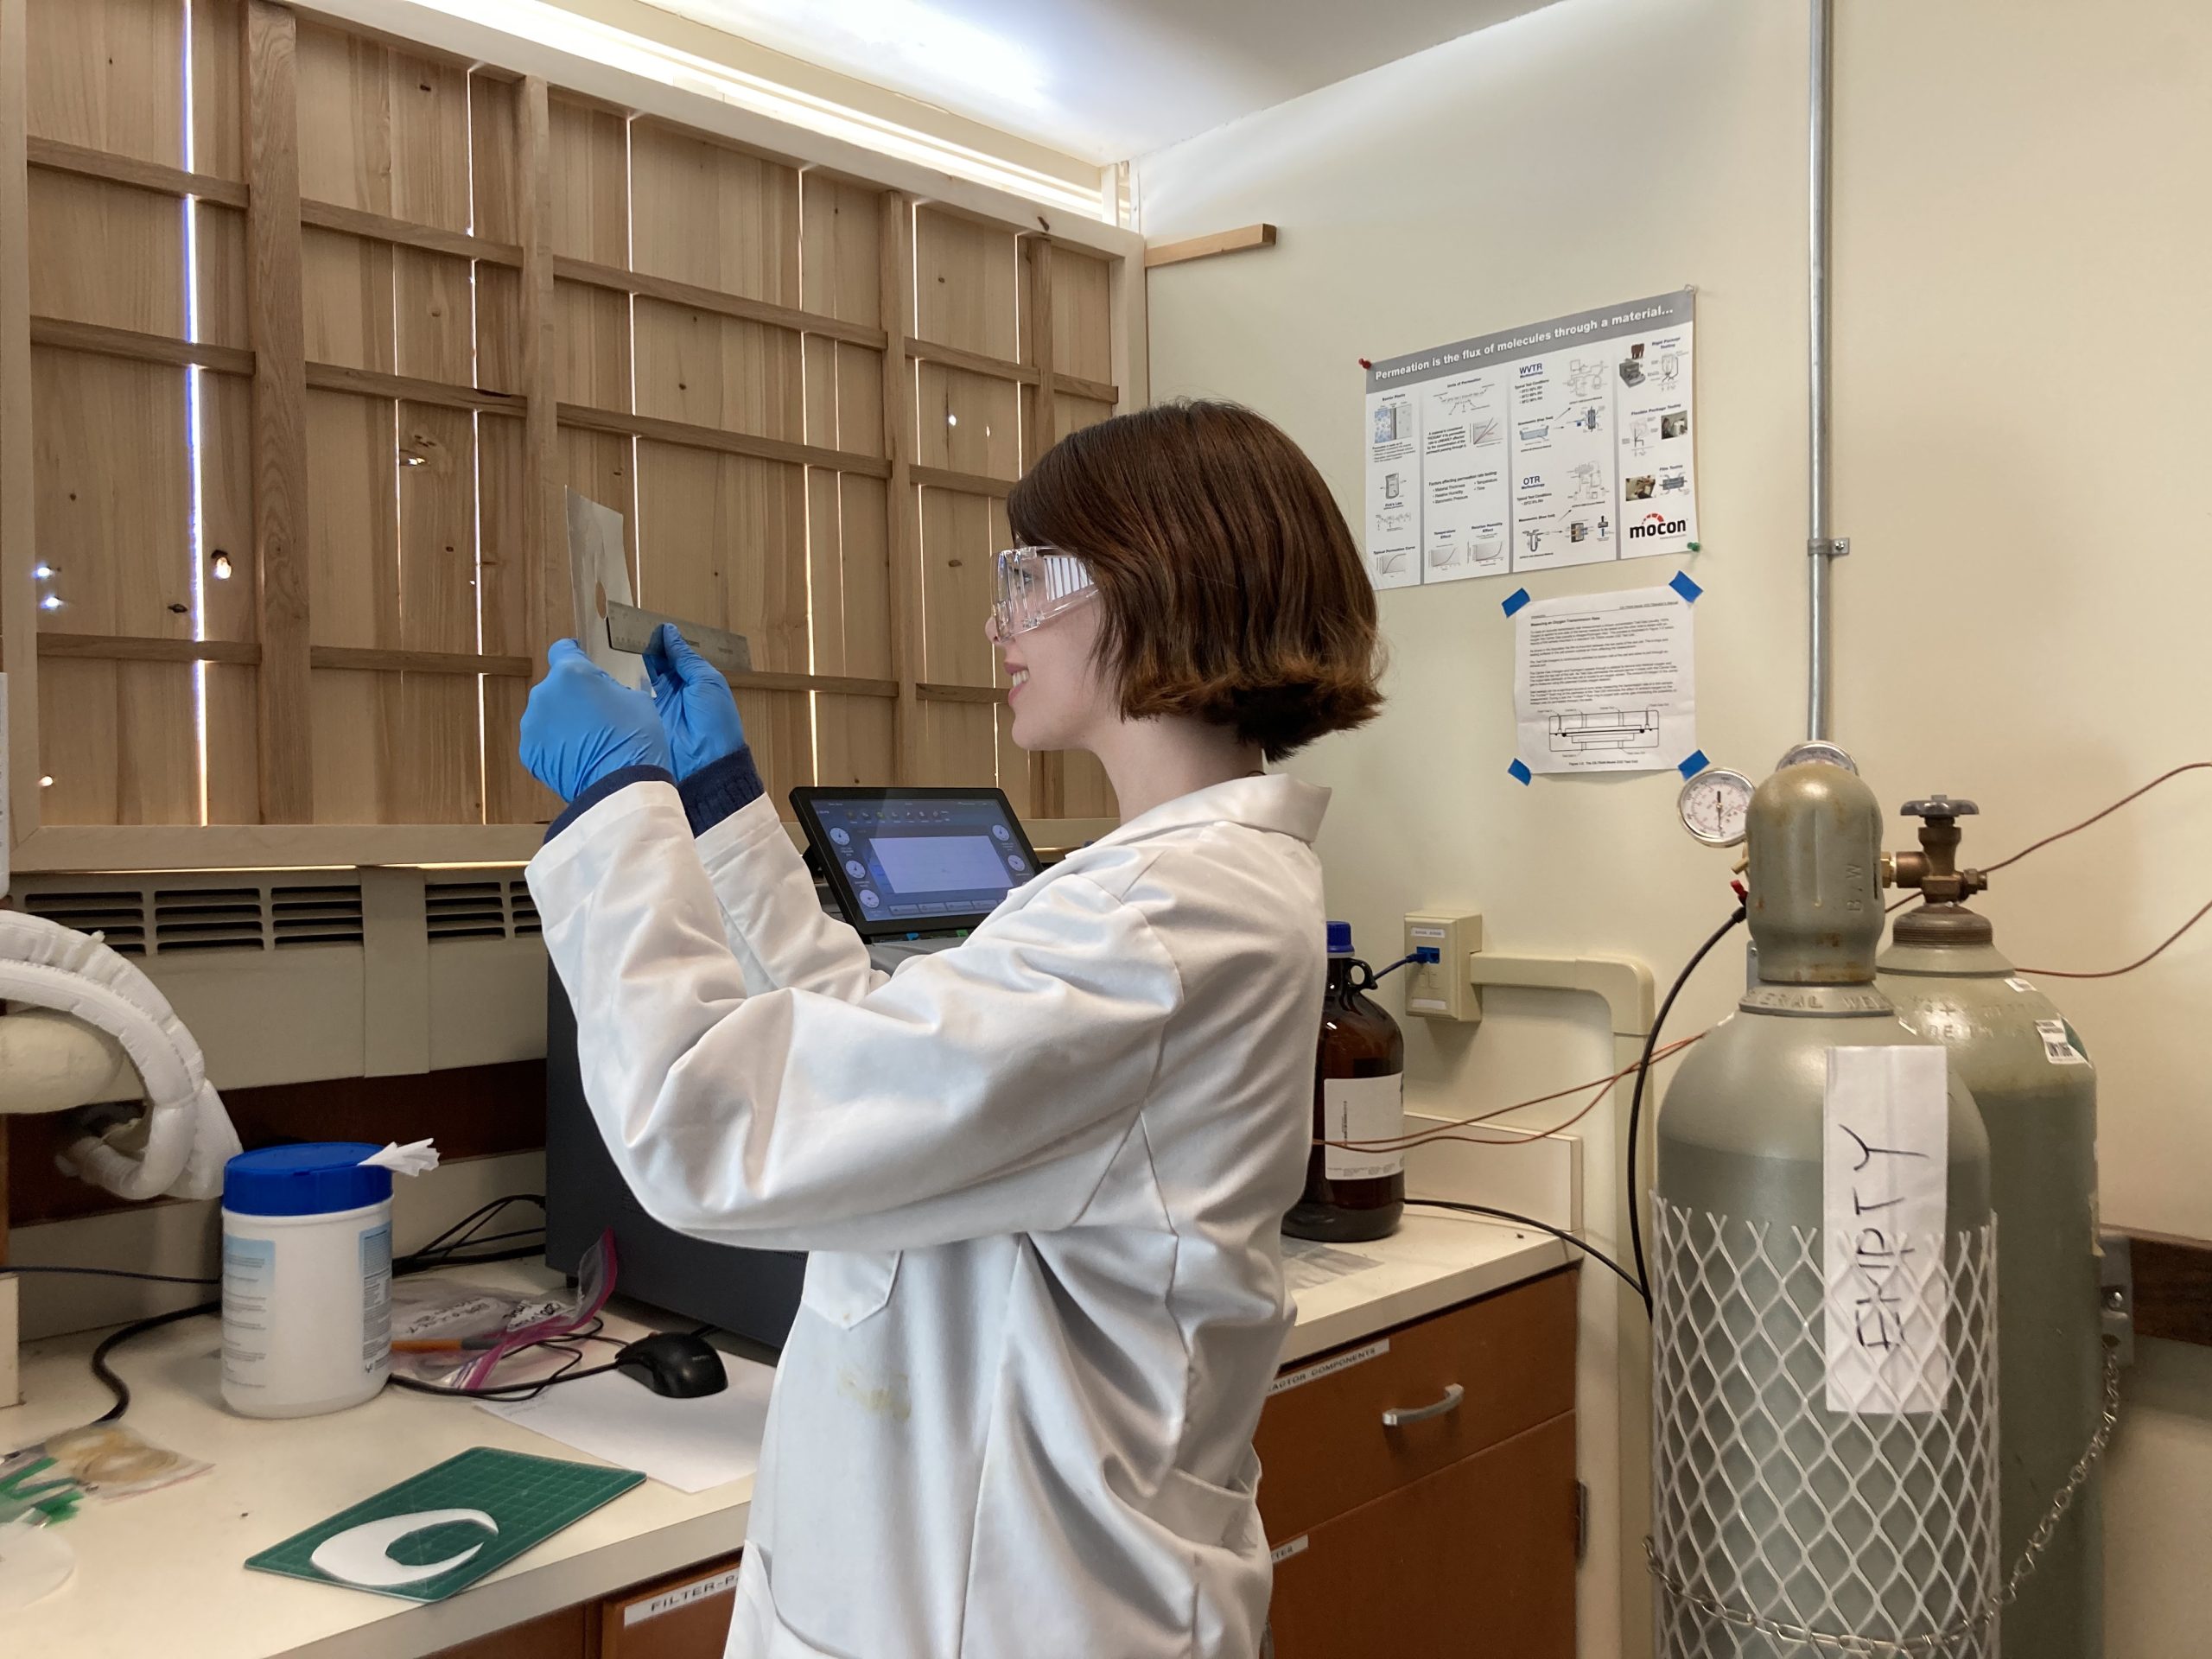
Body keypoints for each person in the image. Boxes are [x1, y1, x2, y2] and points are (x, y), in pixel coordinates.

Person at [518, 400, 1383, 1659]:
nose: (999, 620)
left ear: (1156, 577)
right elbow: (878, 1044)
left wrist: (616, 809)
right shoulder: (1155, 892)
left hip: (1020, 1607)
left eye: (1030, 578)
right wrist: (720, 809)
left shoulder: (1159, 922)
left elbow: (709, 1128)